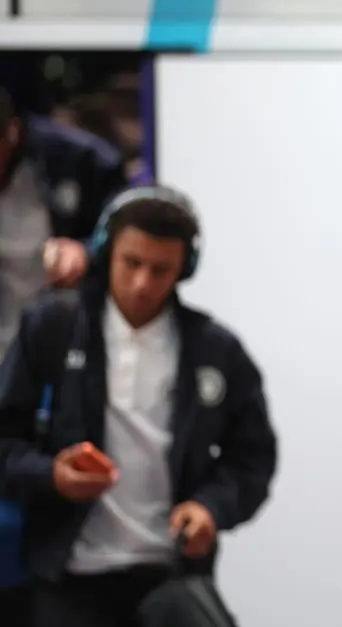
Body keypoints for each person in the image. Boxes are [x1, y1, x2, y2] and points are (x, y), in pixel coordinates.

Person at [0, 185, 279, 627]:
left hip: (169, 574)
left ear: (183, 270)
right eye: (131, 263)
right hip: (67, 576)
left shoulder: (215, 350)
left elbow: (254, 456)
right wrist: (51, 474)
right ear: (106, 252)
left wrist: (211, 507)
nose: (142, 284)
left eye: (160, 270)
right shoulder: (52, 327)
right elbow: (5, 441)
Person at [0, 84, 130, 357]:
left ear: (11, 134)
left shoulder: (81, 160)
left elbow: (129, 228)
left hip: (60, 345)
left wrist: (86, 251)